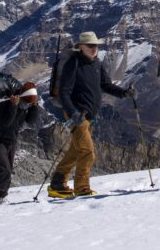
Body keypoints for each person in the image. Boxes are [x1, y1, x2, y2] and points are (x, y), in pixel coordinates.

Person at [49, 32, 133, 198]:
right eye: (90, 46)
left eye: (96, 46)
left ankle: (57, 183)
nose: (94, 49)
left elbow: (106, 85)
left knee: (75, 151)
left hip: (89, 116)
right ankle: (82, 189)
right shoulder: (73, 64)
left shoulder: (97, 64)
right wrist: (73, 113)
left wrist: (124, 93)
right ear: (81, 47)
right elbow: (65, 93)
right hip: (77, 115)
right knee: (87, 152)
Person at [0, 81, 41, 205]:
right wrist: (13, 106)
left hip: (11, 141)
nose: (27, 106)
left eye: (30, 104)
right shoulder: (7, 102)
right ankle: (1, 197)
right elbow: (5, 123)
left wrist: (34, 107)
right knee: (5, 170)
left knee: (5, 169)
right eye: (27, 102)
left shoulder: (24, 106)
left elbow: (30, 121)